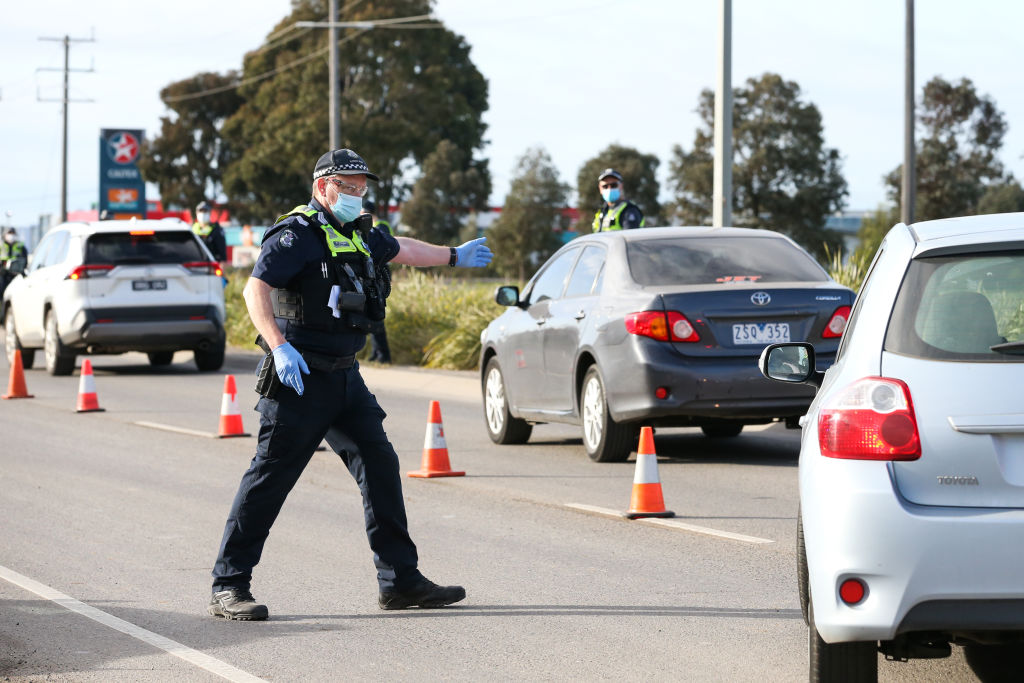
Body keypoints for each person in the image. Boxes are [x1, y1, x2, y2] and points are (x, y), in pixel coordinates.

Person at [208, 148, 493, 621]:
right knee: (269, 480)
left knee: (380, 465)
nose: (357, 193)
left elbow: (400, 247)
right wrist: (278, 347)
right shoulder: (296, 234)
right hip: (299, 375)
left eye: (363, 186)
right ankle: (229, 585)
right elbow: (254, 288)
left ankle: (399, 581)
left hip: (345, 375)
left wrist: (453, 256)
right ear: (323, 186)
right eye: (348, 184)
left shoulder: (358, 232)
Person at [361, 199, 392, 364]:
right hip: (373, 271)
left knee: (376, 311)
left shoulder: (379, 226)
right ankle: (376, 352)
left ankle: (384, 355)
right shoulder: (371, 225)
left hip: (380, 271)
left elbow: (377, 249)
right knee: (371, 312)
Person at [592, 168, 645, 232]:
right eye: (605, 186)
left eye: (613, 185)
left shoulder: (629, 210)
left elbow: (630, 239)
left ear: (621, 186)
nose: (609, 189)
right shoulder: (602, 211)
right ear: (600, 188)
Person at [192, 200, 228, 265]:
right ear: (196, 213)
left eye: (205, 211)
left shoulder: (216, 230)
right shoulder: (192, 229)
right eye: (200, 211)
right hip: (195, 267)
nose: (202, 214)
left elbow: (222, 257)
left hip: (211, 267)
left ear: (209, 213)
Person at [0, 228, 27, 300]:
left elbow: (25, 260)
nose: (11, 235)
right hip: (3, 275)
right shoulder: (1, 246)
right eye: (9, 233)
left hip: (16, 275)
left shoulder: (20, 246)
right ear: (4, 235)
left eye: (12, 233)